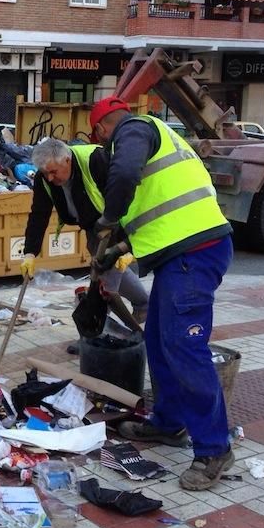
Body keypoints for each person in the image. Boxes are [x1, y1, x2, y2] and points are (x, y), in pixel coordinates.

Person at [89, 96, 234, 491]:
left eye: (100, 138)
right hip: (183, 253)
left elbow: (124, 176)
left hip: (195, 253)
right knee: (157, 338)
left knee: (185, 348)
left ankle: (214, 450)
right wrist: (116, 249)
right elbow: (153, 216)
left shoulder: (134, 130)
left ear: (102, 128)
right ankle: (169, 424)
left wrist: (108, 219)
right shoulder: (158, 139)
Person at [20, 139, 148, 322]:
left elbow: (127, 199)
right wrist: (30, 253)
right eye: (45, 173)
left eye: (53, 172)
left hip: (119, 221)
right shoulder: (45, 178)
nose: (49, 178)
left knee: (105, 277)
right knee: (109, 267)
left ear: (67, 160)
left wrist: (129, 244)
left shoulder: (96, 160)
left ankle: (97, 327)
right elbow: (39, 214)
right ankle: (143, 304)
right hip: (93, 226)